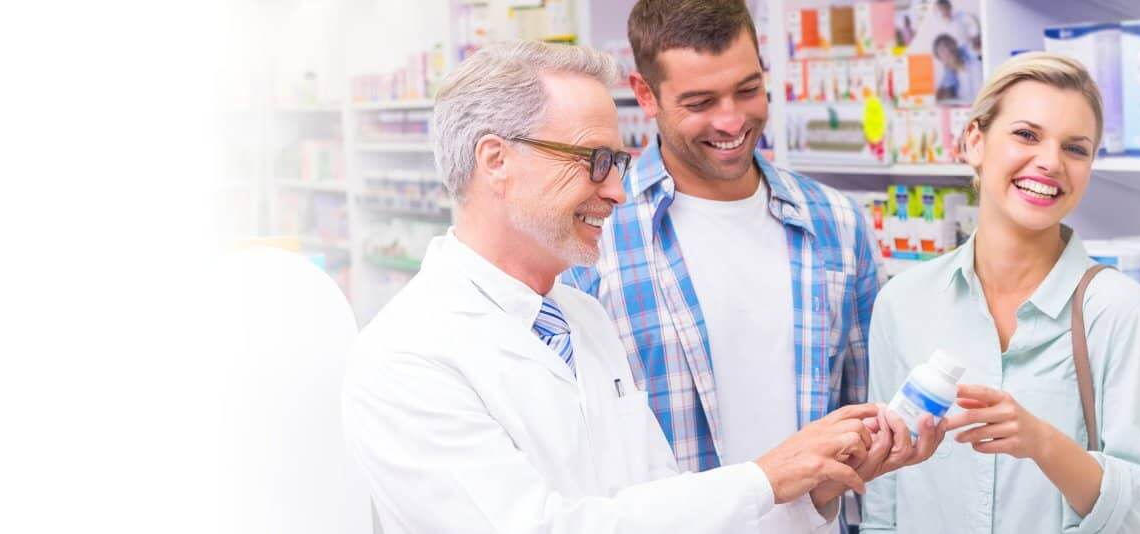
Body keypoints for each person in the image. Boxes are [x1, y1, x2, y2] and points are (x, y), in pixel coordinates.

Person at [341, 40, 892, 534]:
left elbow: (670, 508)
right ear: (496, 160)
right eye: (595, 162)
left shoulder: (583, 319)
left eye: (619, 163)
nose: (618, 193)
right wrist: (763, 479)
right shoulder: (405, 358)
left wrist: (810, 489)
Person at [565, 2, 941, 525]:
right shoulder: (597, 235)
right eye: (700, 101)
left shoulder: (837, 223)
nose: (732, 120)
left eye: (747, 89)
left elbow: (866, 414)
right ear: (646, 94)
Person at [860, 53, 1140, 533]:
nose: (1050, 162)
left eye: (1075, 148)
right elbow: (884, 495)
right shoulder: (903, 302)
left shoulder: (1117, 311)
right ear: (974, 141)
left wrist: (1044, 444)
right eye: (1027, 135)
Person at [933, 34, 981, 103]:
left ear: (955, 44)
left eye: (947, 45)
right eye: (942, 50)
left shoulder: (975, 62)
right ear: (940, 59)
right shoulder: (950, 82)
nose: (947, 50)